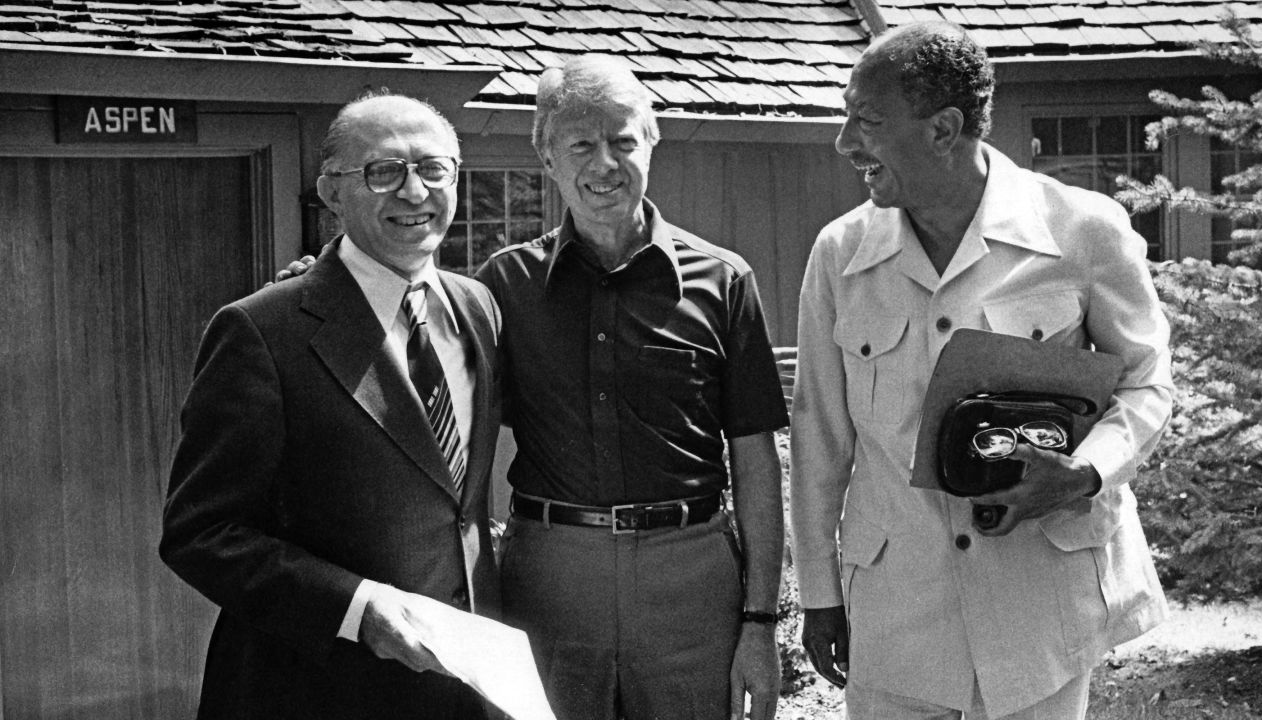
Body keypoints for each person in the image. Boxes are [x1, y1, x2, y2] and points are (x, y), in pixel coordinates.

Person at [789, 22, 1174, 720]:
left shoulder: (1081, 232)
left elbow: (1148, 382)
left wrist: (1084, 472)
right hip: (899, 610)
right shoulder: (839, 253)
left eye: (867, 122)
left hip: (1039, 607)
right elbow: (819, 436)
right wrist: (819, 592)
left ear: (943, 129)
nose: (846, 143)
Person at [160, 92, 504, 719]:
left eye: (433, 169)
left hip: (461, 689)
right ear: (331, 192)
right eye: (383, 171)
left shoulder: (477, 307)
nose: (414, 191)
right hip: (317, 688)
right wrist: (358, 609)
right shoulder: (262, 330)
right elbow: (200, 533)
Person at [475, 57, 788, 720]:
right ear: (547, 158)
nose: (604, 165)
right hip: (551, 580)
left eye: (622, 140)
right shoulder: (504, 287)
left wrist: (760, 622)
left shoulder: (725, 282)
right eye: (581, 145)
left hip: (690, 581)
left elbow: (755, 460)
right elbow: (464, 457)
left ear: (652, 140)